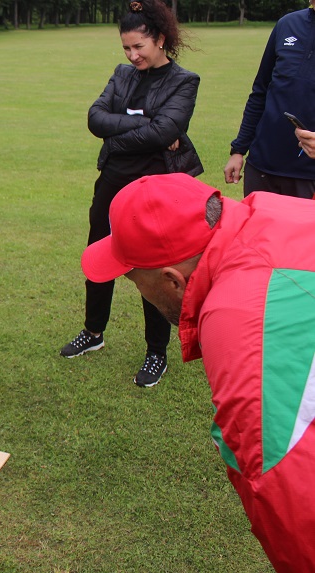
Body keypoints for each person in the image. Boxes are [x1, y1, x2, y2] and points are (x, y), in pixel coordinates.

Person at [81, 172, 315, 573]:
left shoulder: (239, 327)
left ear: (173, 281)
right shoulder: (273, 209)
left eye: (135, 280)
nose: (139, 292)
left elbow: (296, 513)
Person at [57, 0, 202, 389]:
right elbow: (96, 118)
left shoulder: (184, 81)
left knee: (152, 268)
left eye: (139, 46)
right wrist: (145, 124)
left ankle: (157, 352)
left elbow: (163, 131)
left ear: (160, 39)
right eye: (126, 47)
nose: (132, 55)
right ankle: (93, 331)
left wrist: (122, 134)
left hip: (154, 190)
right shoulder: (122, 74)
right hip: (112, 181)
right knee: (98, 255)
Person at [223, 2, 315, 199]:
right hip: (262, 168)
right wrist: (238, 150)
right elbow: (260, 91)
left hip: (308, 177)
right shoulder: (287, 24)